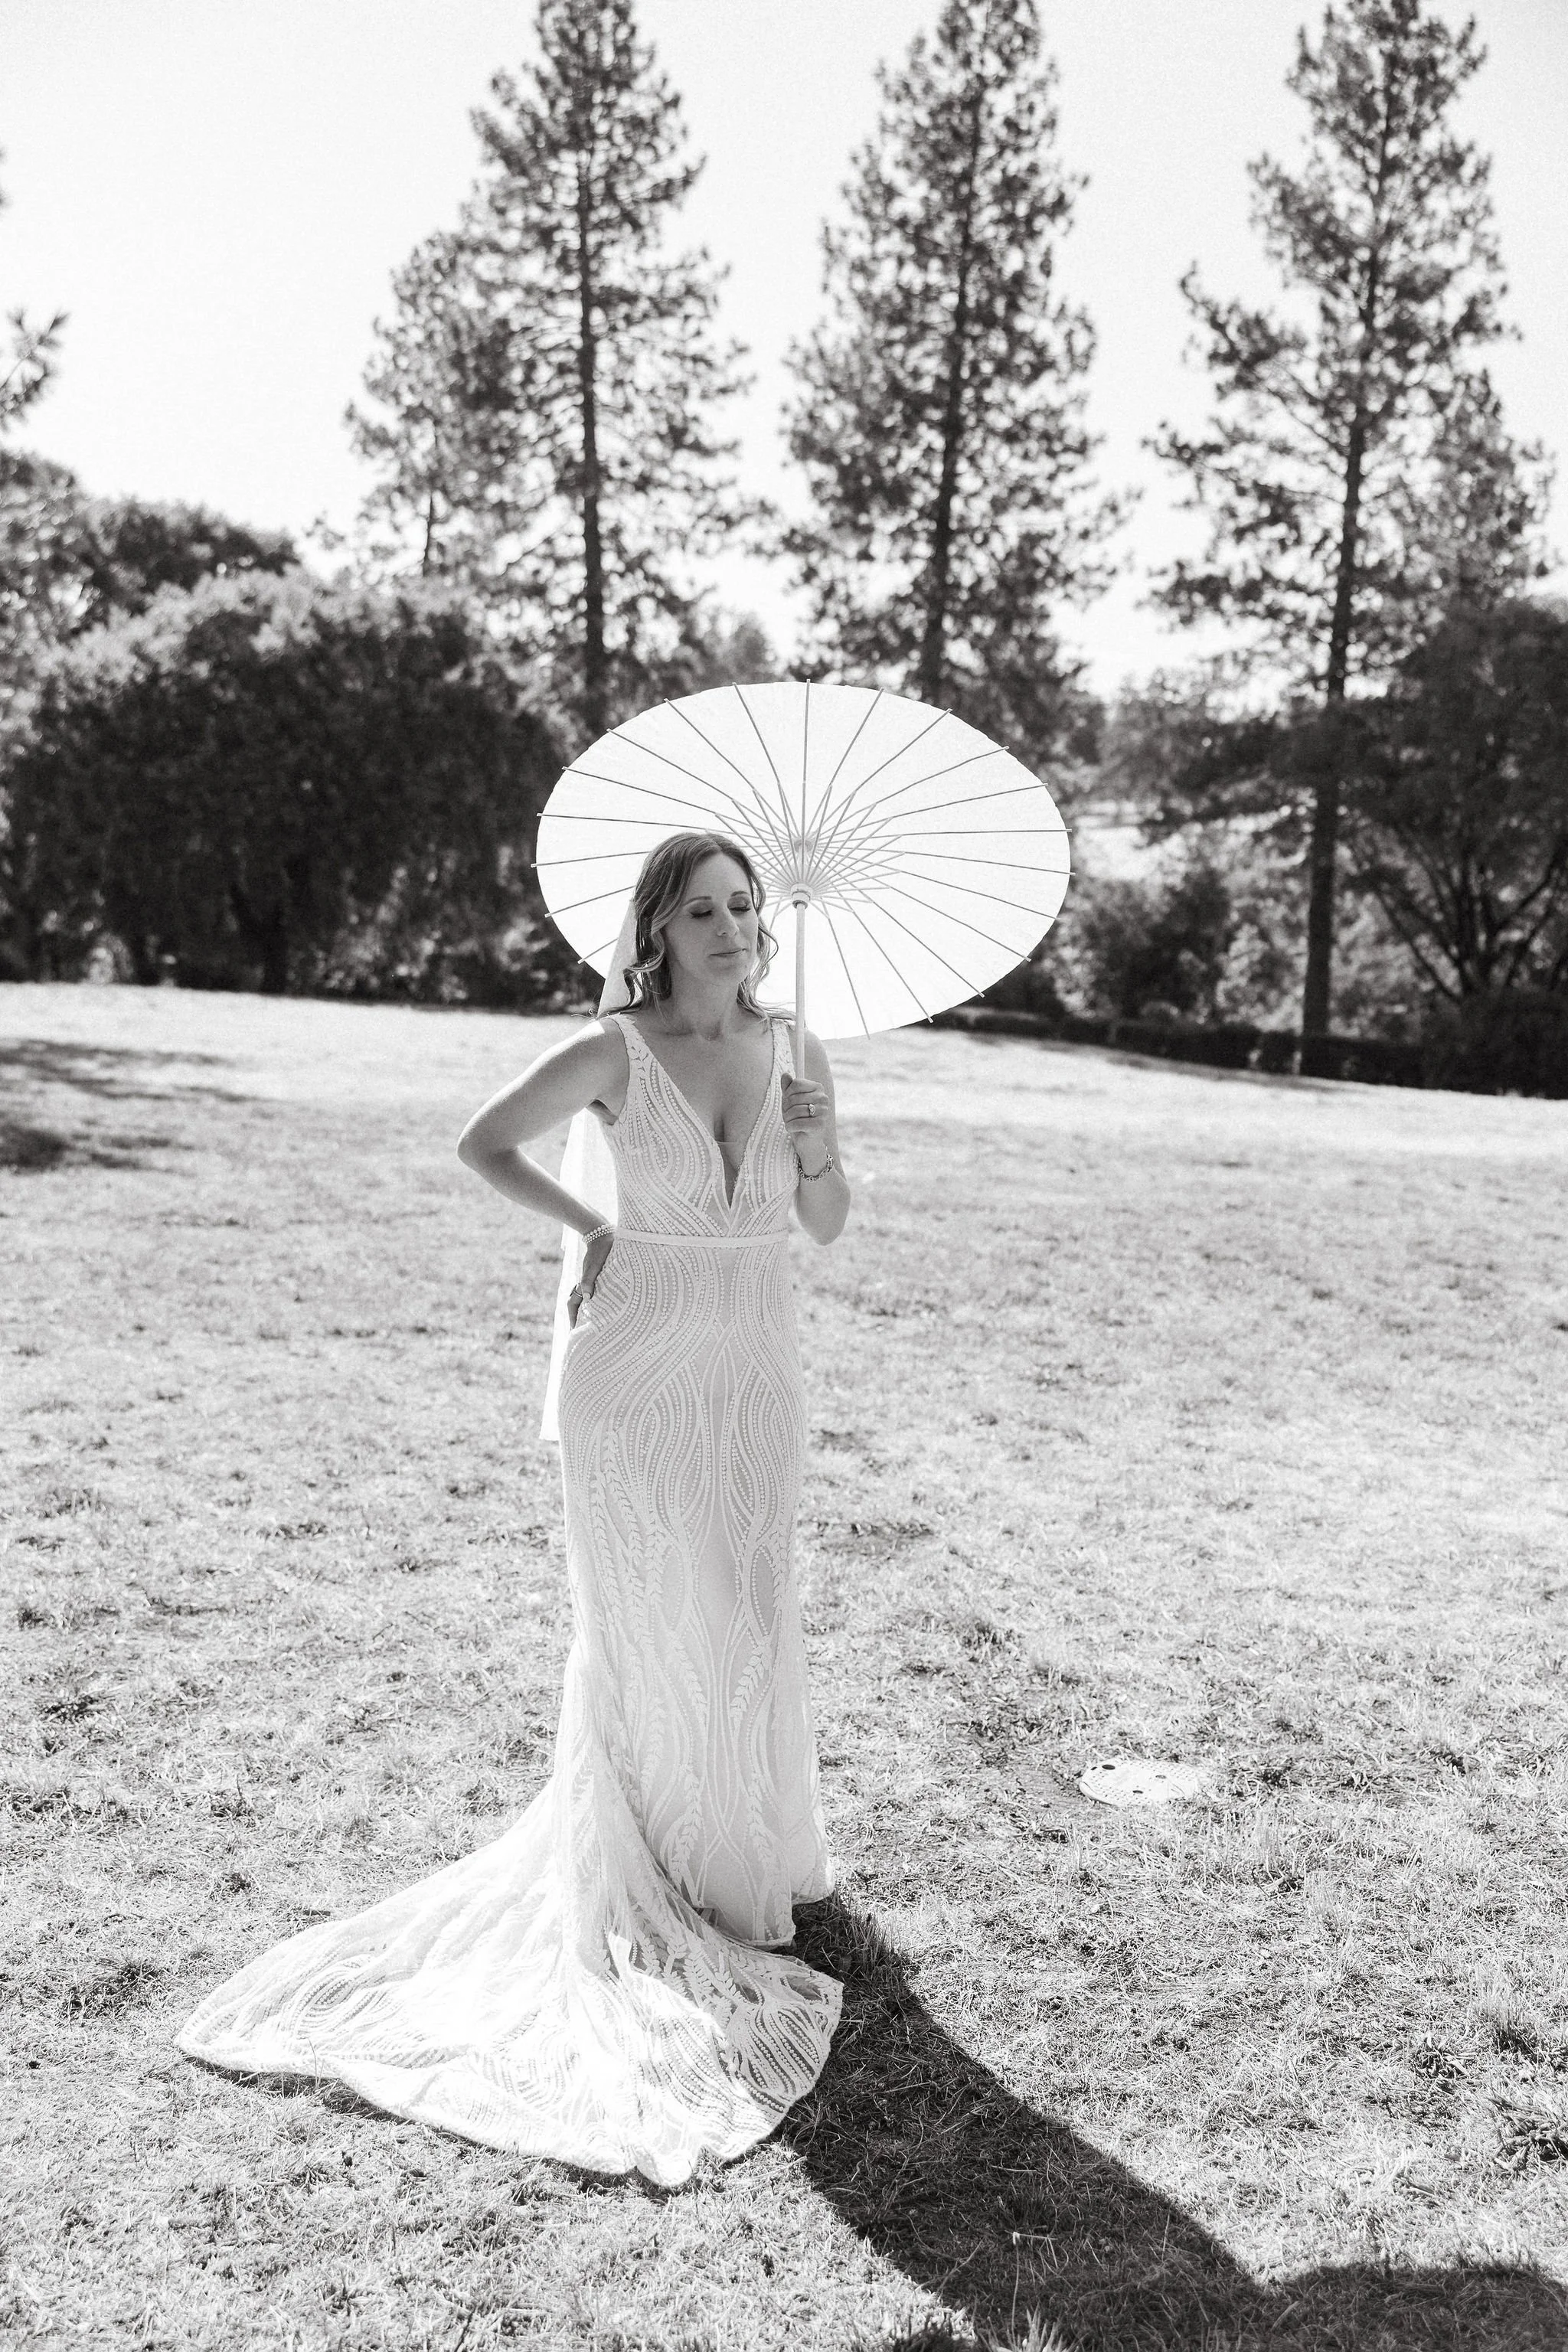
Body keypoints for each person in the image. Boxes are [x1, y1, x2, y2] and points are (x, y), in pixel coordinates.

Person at [175, 831, 851, 2187]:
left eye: (742, 908)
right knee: (653, 1615)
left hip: (755, 1365)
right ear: (655, 932)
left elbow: (824, 1227)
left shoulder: (800, 1054)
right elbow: (481, 1140)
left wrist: (819, 1147)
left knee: (747, 1608)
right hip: (637, 1364)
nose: (728, 929)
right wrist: (593, 1226)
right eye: (701, 910)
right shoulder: (614, 1048)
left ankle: (742, 1859)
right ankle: (660, 1860)